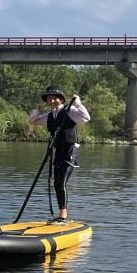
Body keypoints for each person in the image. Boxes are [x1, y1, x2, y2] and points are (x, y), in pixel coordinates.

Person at [28, 85, 91, 225]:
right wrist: (37, 111)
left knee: (61, 182)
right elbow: (32, 122)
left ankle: (63, 217)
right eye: (49, 99)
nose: (51, 101)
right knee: (57, 183)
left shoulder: (70, 111)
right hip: (58, 152)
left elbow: (86, 118)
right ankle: (61, 215)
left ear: (61, 99)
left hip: (70, 149)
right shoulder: (49, 116)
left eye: (54, 98)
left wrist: (78, 103)